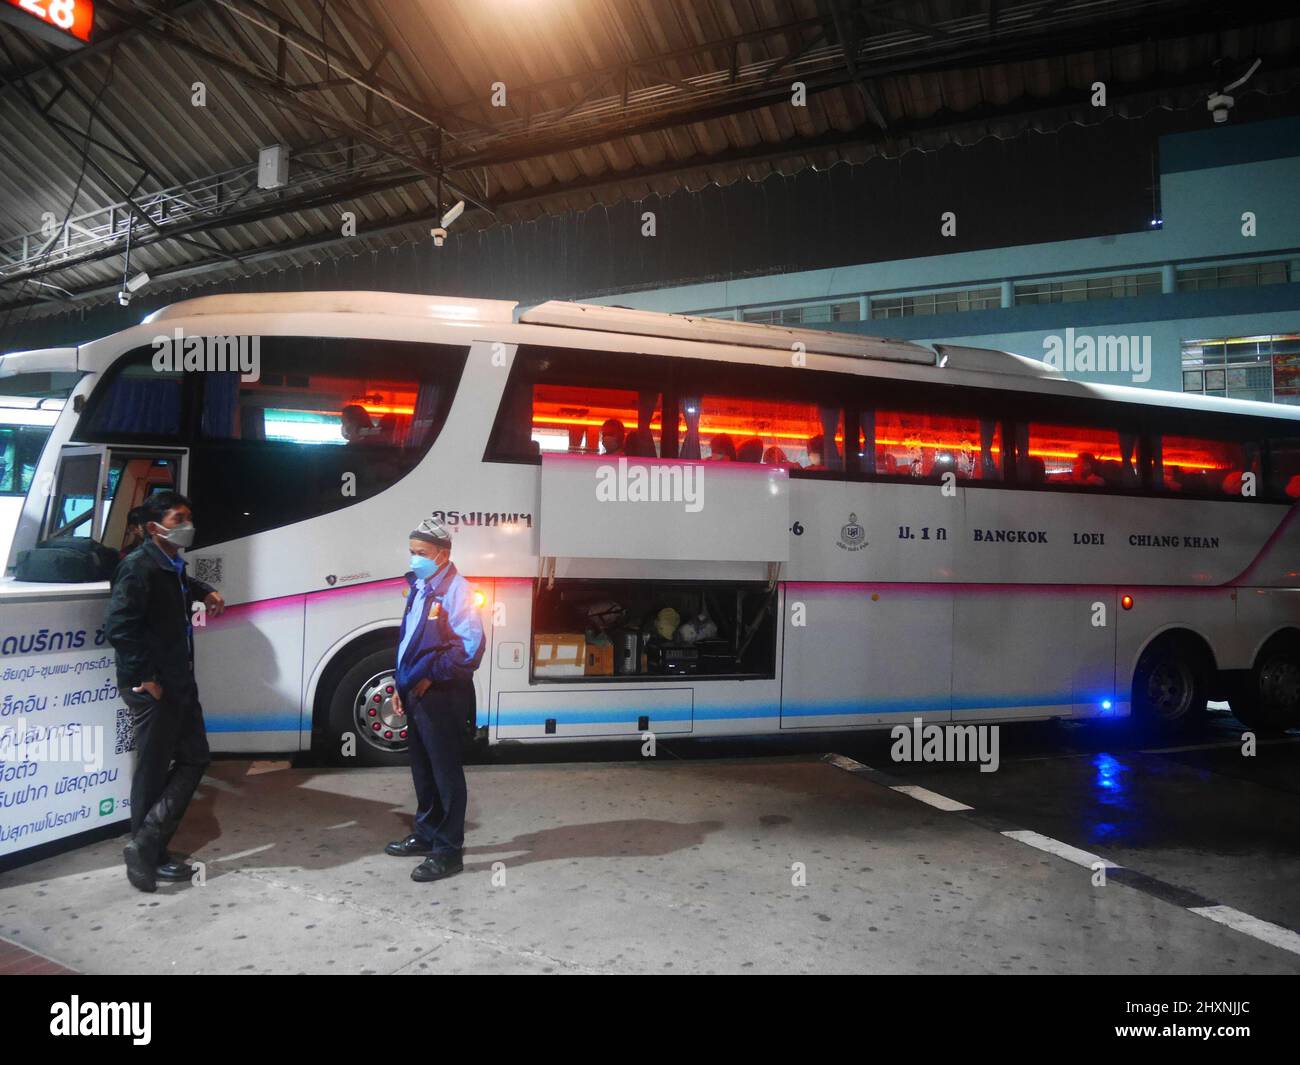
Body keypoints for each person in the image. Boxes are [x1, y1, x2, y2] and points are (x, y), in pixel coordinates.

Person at [105, 491, 225, 893]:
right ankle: (147, 853)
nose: (187, 524)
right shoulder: (137, 568)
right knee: (153, 772)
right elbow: (120, 627)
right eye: (178, 518)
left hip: (178, 679)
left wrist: (203, 589)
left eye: (188, 516)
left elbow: (179, 583)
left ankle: (147, 845)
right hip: (154, 684)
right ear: (155, 526)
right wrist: (145, 677)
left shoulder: (170, 562)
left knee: (195, 757)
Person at [385, 517, 485, 883]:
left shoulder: (458, 591)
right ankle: (426, 835)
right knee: (423, 770)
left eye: (421, 553)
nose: (414, 560)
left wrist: (429, 676)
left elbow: (470, 650)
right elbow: (409, 640)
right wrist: (402, 684)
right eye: (412, 552)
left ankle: (448, 851)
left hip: (442, 695)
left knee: (445, 774)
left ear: (442, 555)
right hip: (417, 694)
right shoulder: (421, 587)